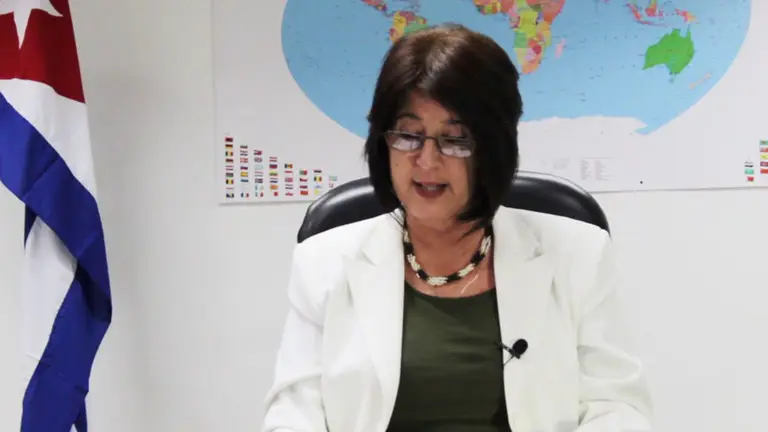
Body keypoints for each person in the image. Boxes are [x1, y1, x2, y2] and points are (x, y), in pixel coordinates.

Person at [262, 23, 652, 432]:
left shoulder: (579, 254)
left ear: (493, 149)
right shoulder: (323, 262)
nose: (427, 161)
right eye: (409, 135)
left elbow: (618, 407)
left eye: (455, 139)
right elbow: (293, 413)